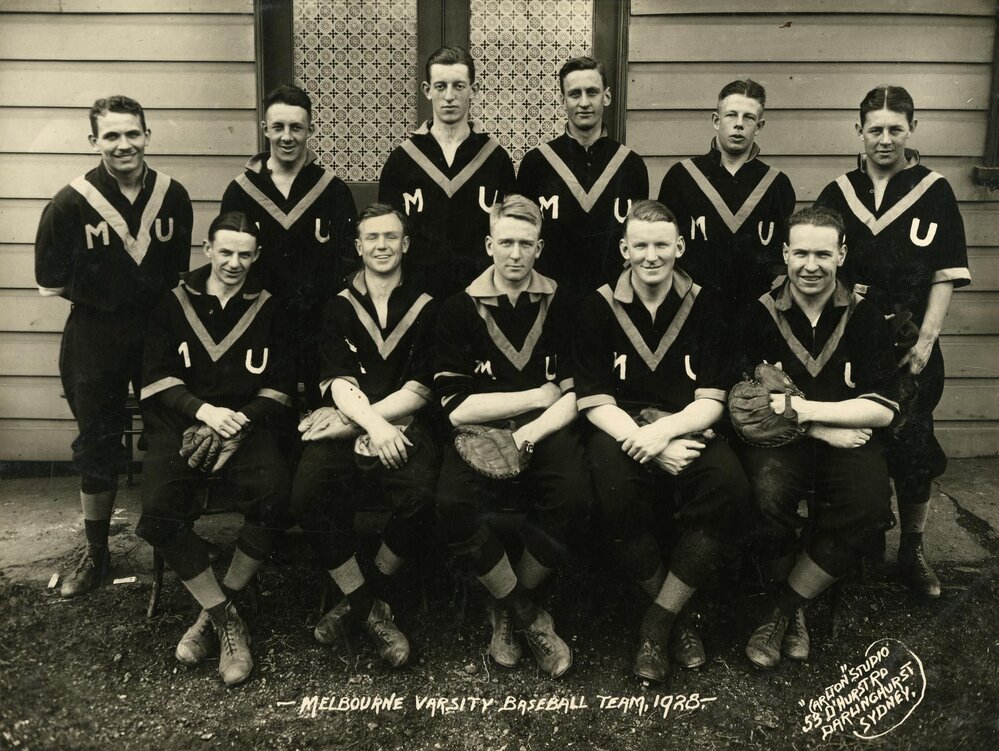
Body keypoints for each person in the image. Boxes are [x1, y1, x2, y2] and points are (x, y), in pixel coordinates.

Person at [573, 199, 748, 684]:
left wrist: (665, 434)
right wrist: (646, 441)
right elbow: (593, 400)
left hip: (683, 425)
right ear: (625, 248)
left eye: (662, 245)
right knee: (614, 490)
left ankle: (658, 620)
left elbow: (713, 399)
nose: (652, 256)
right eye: (641, 246)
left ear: (680, 246)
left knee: (729, 488)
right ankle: (673, 614)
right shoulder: (597, 305)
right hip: (621, 428)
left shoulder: (706, 304)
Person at [815, 86, 971, 598]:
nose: (884, 139)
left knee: (913, 445)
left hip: (911, 342)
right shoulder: (838, 192)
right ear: (858, 130)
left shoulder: (935, 189)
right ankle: (856, 543)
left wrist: (926, 340)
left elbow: (945, 275)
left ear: (912, 129)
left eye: (895, 129)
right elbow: (818, 265)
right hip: (852, 343)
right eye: (875, 129)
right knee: (858, 438)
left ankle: (913, 548)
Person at [34, 95, 193, 598]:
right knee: (98, 440)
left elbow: (177, 272)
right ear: (94, 141)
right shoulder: (69, 202)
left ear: (147, 135)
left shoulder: (173, 195)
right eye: (111, 136)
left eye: (132, 134)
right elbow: (51, 283)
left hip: (157, 333)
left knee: (168, 430)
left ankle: (174, 541)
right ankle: (96, 551)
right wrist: (109, 300)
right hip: (96, 333)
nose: (123, 145)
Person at [734, 206, 899, 668]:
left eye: (823, 254)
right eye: (801, 252)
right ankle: (790, 605)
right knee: (765, 495)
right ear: (784, 253)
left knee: (868, 505)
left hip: (849, 442)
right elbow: (745, 404)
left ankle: (786, 609)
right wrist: (820, 427)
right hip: (783, 442)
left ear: (842, 255)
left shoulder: (864, 316)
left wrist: (803, 409)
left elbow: (881, 409)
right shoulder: (758, 313)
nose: (811, 265)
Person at [136, 212, 293, 687]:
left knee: (275, 493)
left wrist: (241, 422)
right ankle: (227, 619)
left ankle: (213, 611)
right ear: (207, 249)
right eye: (225, 251)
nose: (234, 262)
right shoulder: (173, 301)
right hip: (183, 423)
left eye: (245, 253)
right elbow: (156, 376)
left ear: (257, 255)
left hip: (247, 426)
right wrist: (204, 413)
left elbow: (281, 385)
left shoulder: (271, 306)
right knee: (160, 510)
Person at [434, 195, 585, 678]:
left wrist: (535, 429)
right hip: (479, 431)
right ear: (488, 244)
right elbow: (458, 409)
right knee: (452, 502)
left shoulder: (564, 302)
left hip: (544, 430)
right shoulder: (458, 307)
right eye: (505, 243)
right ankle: (519, 610)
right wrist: (536, 396)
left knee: (574, 493)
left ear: (539, 247)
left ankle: (511, 597)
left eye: (525, 243)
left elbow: (577, 394)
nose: (515, 254)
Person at [290, 204, 440, 669]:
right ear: (358, 246)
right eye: (371, 237)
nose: (381, 245)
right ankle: (367, 603)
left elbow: (420, 387)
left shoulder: (426, 305)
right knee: (306, 494)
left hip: (403, 425)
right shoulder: (337, 306)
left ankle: (365, 596)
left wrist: (367, 423)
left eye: (391, 237)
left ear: (405, 244)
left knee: (421, 495)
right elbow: (337, 383)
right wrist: (373, 426)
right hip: (361, 423)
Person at [221, 84, 357, 409]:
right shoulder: (240, 192)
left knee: (320, 407)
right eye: (278, 127)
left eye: (296, 127)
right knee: (268, 411)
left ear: (310, 129)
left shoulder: (333, 191)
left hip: (319, 325)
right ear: (265, 128)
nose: (287, 137)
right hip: (259, 324)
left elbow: (349, 265)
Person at [379, 46, 516, 300]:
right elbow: (386, 236)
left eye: (459, 86)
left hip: (482, 298)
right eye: (440, 86)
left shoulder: (496, 159)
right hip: (416, 298)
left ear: (473, 90)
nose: (449, 96)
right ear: (427, 90)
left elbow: (511, 235)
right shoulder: (402, 160)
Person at [656, 79, 795, 323]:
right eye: (731, 115)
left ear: (759, 126)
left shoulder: (777, 185)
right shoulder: (682, 177)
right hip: (691, 311)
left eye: (748, 118)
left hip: (755, 314)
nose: (739, 124)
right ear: (716, 121)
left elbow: (780, 261)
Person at [516, 56, 649, 298]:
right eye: (575, 94)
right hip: (549, 301)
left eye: (592, 92)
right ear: (562, 100)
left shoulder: (631, 165)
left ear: (606, 97)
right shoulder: (536, 163)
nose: (584, 102)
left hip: (614, 302)